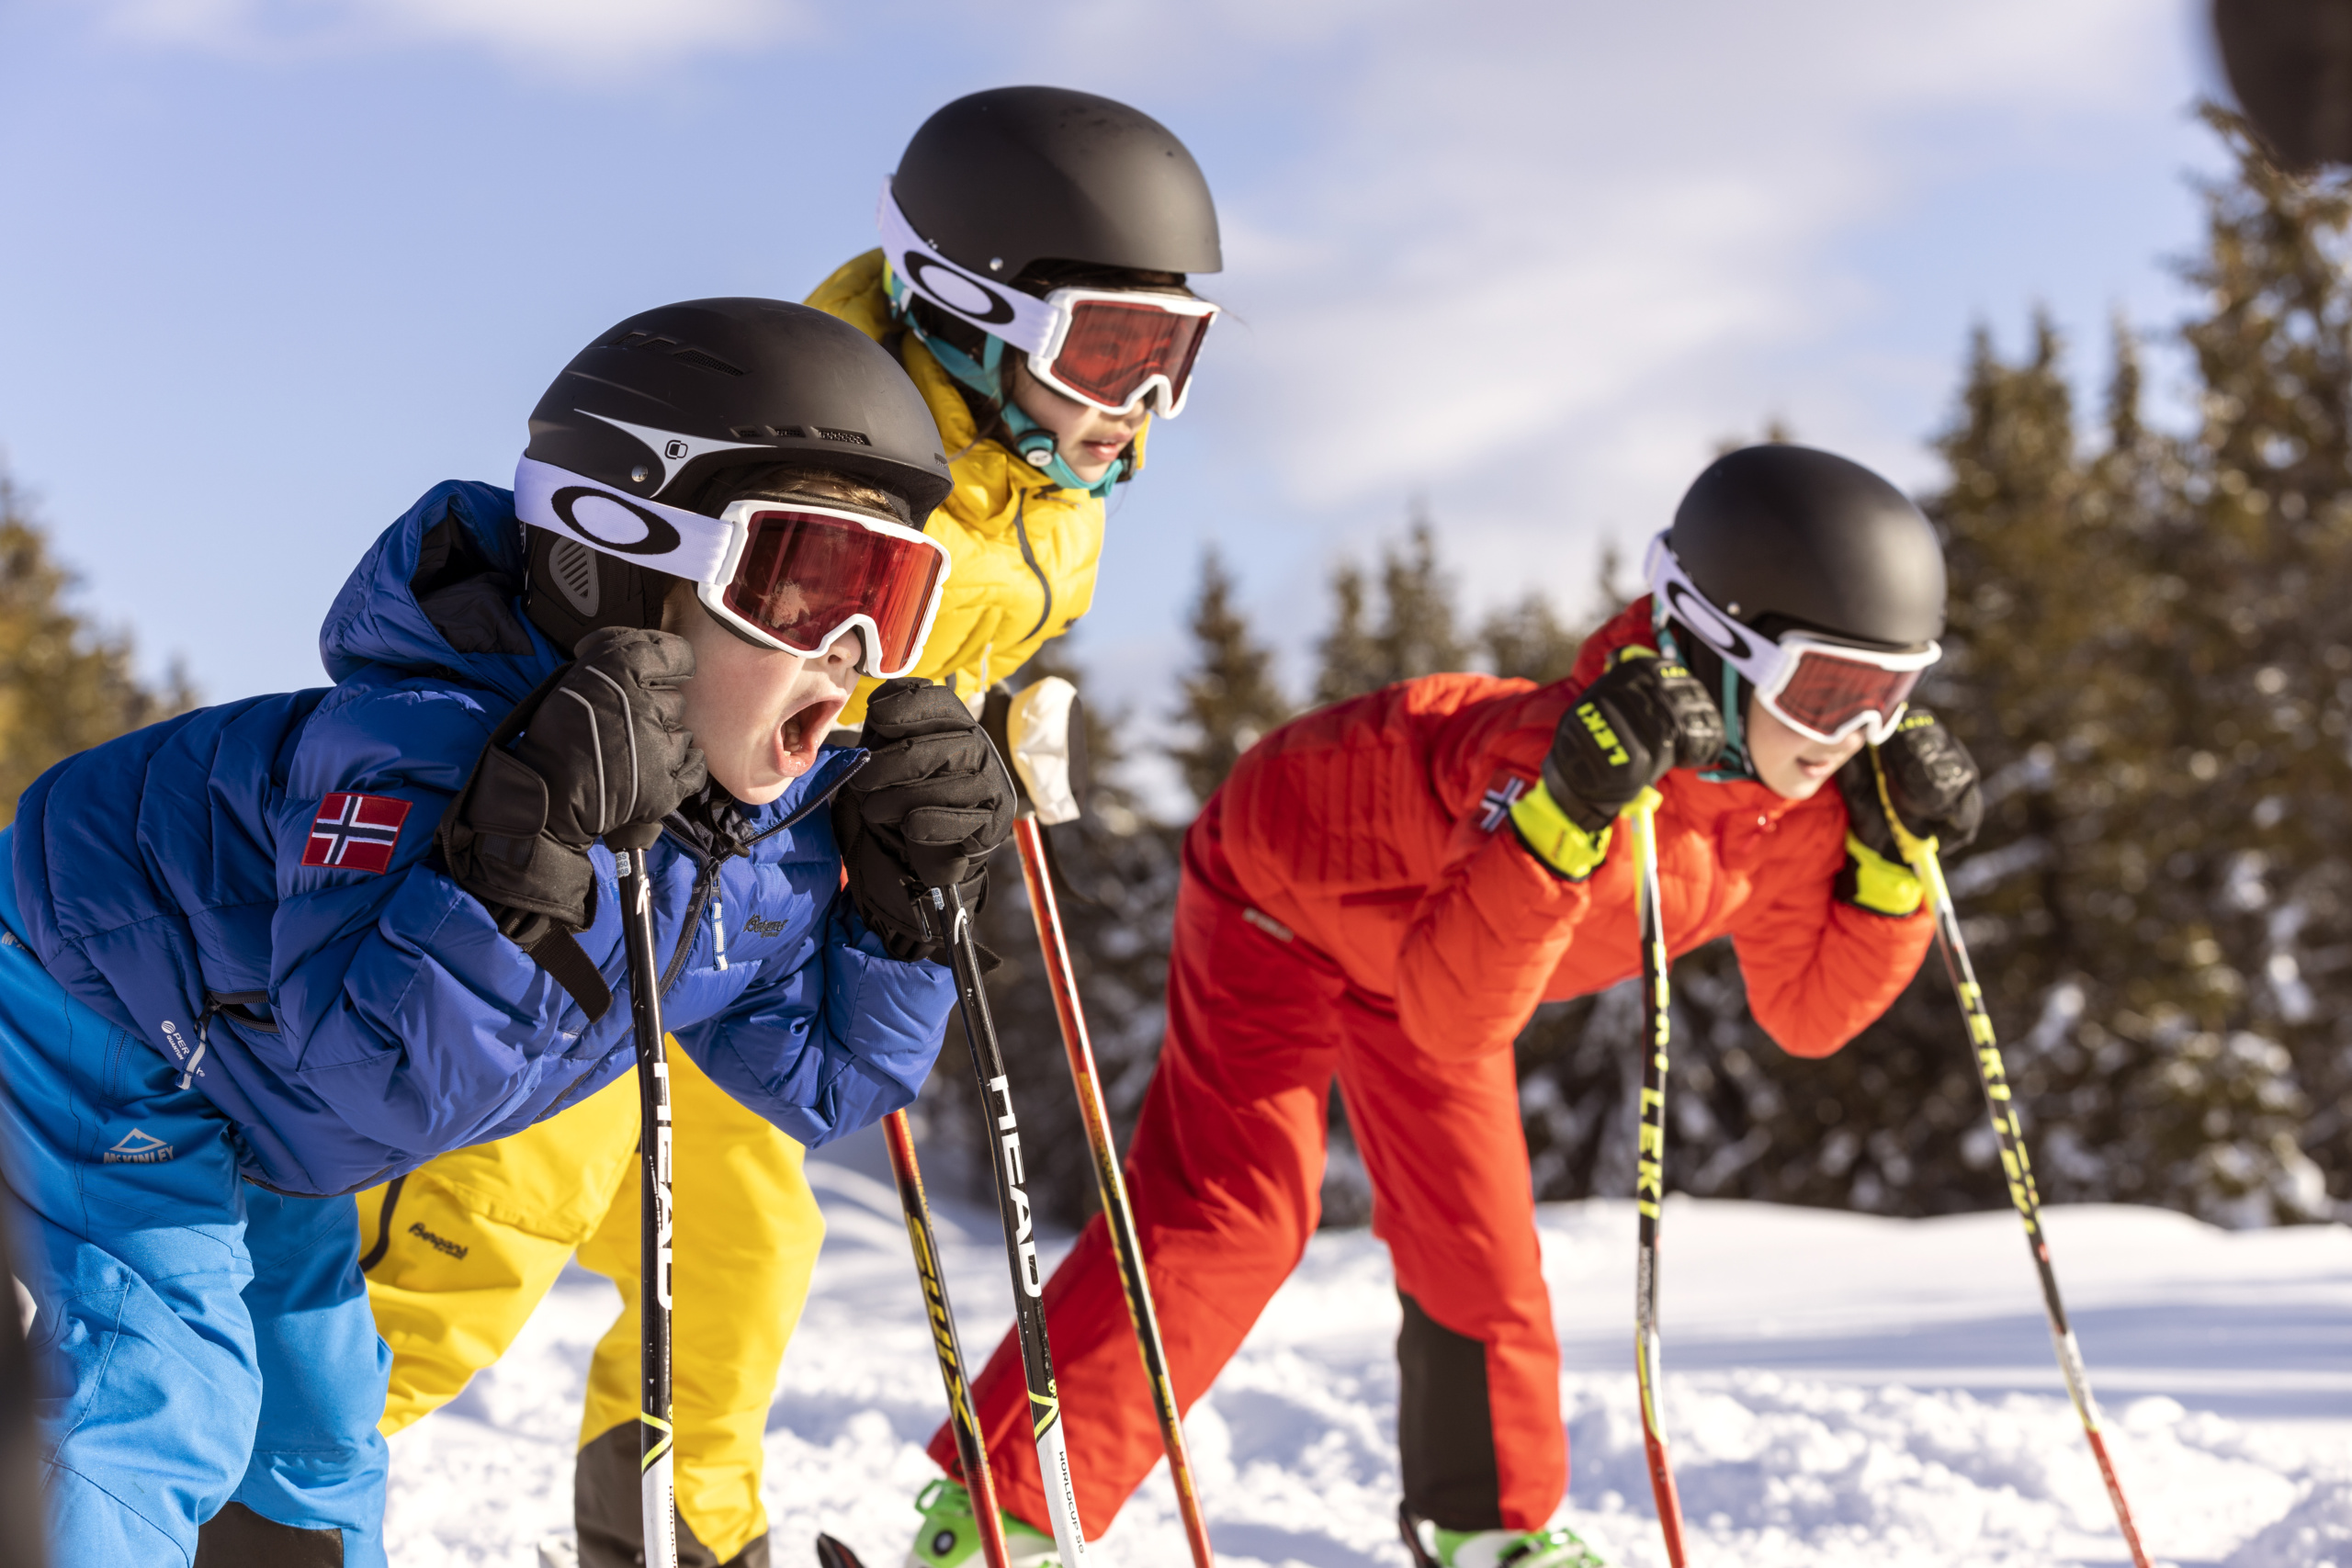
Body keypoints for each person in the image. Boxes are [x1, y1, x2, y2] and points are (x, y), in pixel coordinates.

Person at [0, 295, 1012, 1568]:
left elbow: (826, 1083)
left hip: (252, 1095)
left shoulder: (745, 828)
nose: (850, 655)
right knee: (156, 1386)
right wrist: (520, 859)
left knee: (316, 1432)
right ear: (622, 560)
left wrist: (899, 913)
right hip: (84, 995)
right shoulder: (415, 748)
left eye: (890, 597)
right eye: (802, 589)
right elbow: (380, 1077)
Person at [356, 85, 1223, 1568]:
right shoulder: (808, 433)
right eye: (1107, 351)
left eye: (1174, 360)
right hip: (607, 884)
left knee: (750, 1242)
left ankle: (685, 1532)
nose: (1133, 408)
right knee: (487, 1221)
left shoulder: (1053, 502)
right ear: (966, 301)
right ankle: (203, 1478)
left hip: (754, 921)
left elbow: (940, 669)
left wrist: (969, 760)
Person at [910, 445, 1986, 1568]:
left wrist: (1887, 870)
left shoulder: (1785, 810)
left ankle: (1490, 1529)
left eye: (1892, 696)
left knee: (1479, 1245)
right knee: (1237, 1217)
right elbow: (1452, 1019)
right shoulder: (1547, 762)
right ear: (1717, 648)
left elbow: (1807, 1013)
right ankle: (998, 1523)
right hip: (1281, 900)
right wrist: (1562, 822)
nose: (1853, 736)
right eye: (1829, 692)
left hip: (1439, 968)